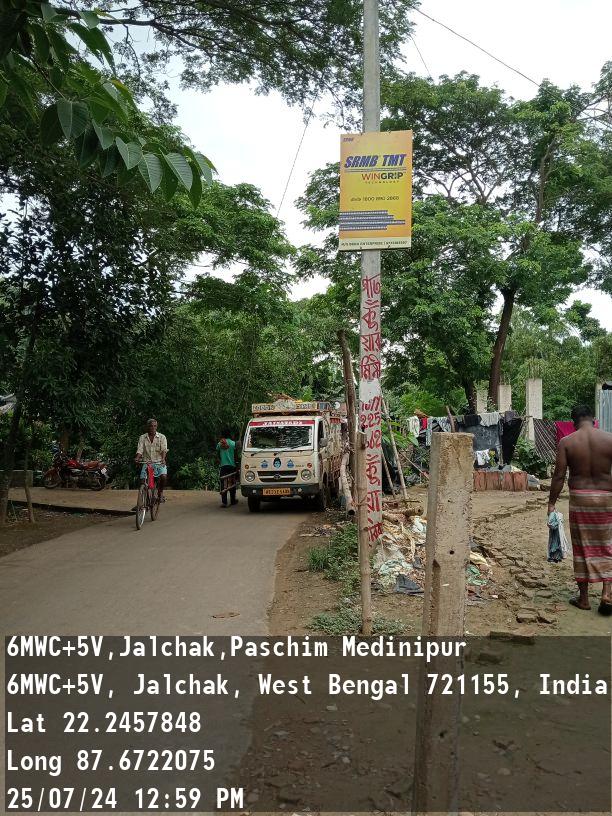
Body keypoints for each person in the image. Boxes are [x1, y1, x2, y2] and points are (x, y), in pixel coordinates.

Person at [548, 405, 612, 615]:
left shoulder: (567, 442)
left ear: (573, 422)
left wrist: (551, 503)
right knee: (607, 544)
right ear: (593, 419)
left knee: (582, 546)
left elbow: (559, 476)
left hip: (580, 499)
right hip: (606, 498)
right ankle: (607, 593)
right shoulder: (609, 439)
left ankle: (584, 598)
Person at [135, 418, 168, 502]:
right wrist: (137, 458)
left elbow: (164, 450)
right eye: (151, 426)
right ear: (147, 427)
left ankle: (160, 493)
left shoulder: (162, 437)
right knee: (143, 481)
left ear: (157, 427)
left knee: (163, 477)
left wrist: (163, 459)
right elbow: (140, 450)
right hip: (147, 463)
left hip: (159, 462)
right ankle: (144, 501)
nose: (153, 428)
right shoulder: (142, 437)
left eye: (155, 426)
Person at [217, 428, 238, 507]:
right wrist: (237, 465)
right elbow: (236, 455)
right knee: (232, 483)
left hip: (223, 466)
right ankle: (233, 500)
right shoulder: (233, 443)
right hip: (232, 466)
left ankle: (224, 502)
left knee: (223, 484)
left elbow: (217, 454)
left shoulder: (220, 443)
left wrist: (221, 460)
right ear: (229, 434)